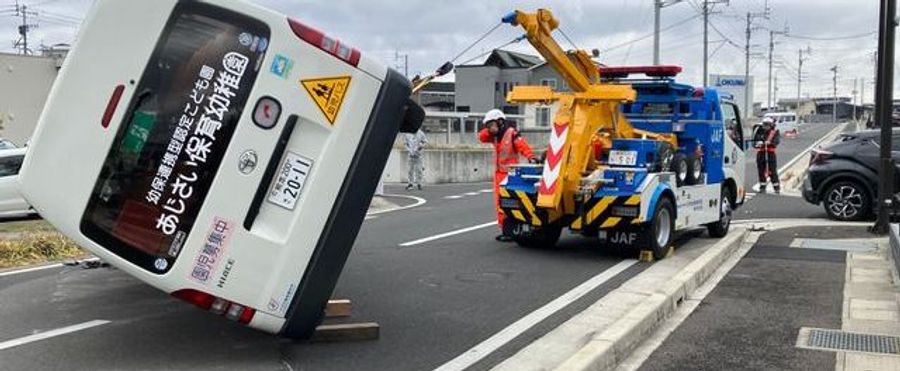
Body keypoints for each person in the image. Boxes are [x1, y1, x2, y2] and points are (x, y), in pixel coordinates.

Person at [478, 109, 539, 241]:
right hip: (499, 174)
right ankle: (505, 230)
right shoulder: (493, 135)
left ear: (499, 122)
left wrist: (531, 157)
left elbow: (523, 146)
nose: (489, 128)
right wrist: (489, 130)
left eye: (491, 124)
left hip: (510, 174)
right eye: (488, 125)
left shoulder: (512, 134)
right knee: (499, 203)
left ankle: (511, 230)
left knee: (509, 202)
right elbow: (481, 137)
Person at [753, 117, 781, 194]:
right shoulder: (759, 131)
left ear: (771, 125)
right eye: (764, 124)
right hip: (761, 153)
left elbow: (776, 141)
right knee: (761, 170)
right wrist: (758, 143)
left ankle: (776, 187)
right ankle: (762, 186)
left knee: (772, 170)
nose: (765, 126)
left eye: (767, 125)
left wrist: (770, 143)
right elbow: (755, 140)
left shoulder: (775, 132)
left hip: (770, 154)